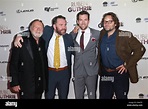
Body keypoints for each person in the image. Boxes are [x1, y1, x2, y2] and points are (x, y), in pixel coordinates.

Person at [13, 15, 74, 99]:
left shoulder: (68, 38)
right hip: (49, 73)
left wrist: (83, 49)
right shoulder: (46, 32)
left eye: (65, 24)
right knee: (49, 96)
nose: (64, 27)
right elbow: (33, 30)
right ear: (54, 26)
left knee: (63, 96)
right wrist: (19, 35)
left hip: (64, 73)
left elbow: (74, 49)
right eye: (61, 25)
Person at [98, 12, 146, 99]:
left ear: (115, 23)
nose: (107, 24)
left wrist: (126, 64)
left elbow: (140, 49)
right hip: (105, 74)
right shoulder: (102, 34)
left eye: (110, 21)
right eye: (105, 21)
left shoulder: (124, 34)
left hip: (119, 74)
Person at [9, 19, 48, 99]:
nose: (38, 29)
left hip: (39, 85)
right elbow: (13, 64)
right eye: (35, 27)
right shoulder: (21, 41)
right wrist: (14, 83)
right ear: (30, 28)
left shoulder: (43, 42)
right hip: (26, 84)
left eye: (40, 28)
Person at [70, 10, 100, 99]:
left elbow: (101, 51)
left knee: (92, 96)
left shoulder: (96, 34)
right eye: (80, 20)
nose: (83, 22)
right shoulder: (72, 35)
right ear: (77, 21)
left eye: (85, 20)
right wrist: (72, 33)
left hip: (92, 71)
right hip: (78, 71)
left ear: (89, 21)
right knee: (78, 96)